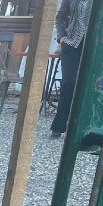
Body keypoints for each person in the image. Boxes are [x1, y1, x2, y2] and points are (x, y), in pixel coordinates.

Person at [51, 0, 92, 139]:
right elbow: (60, 16)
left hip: (95, 46)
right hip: (72, 44)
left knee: (92, 86)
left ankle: (89, 129)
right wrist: (61, 38)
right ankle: (58, 127)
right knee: (69, 83)